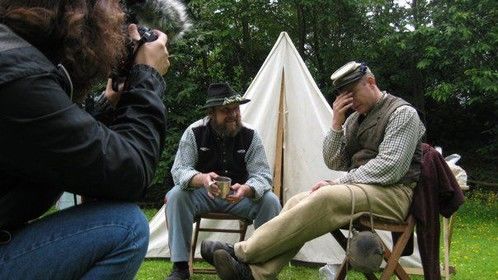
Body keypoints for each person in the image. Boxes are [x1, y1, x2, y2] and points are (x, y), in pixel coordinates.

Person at [202, 61, 426, 280]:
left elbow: (390, 168)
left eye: (352, 93)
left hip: (394, 194)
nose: (349, 101)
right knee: (297, 201)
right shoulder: (355, 119)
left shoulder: (402, 113)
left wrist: (339, 183)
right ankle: (255, 274)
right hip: (363, 190)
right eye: (343, 95)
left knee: (325, 195)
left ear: (371, 82)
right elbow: (333, 161)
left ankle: (241, 251)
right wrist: (337, 123)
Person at [0, 1, 170, 279]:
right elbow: (131, 171)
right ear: (82, 16)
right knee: (125, 227)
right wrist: (146, 78)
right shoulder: (18, 78)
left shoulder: (11, 58)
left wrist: (106, 104)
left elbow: (56, 137)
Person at [164, 82, 282, 280]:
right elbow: (179, 171)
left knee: (270, 201)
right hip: (204, 195)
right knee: (175, 196)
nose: (233, 114)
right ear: (212, 113)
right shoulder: (194, 132)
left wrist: (247, 188)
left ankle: (262, 266)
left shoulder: (250, 135)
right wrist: (201, 179)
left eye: (235, 108)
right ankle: (180, 267)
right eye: (225, 110)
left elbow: (262, 175)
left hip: (239, 196)